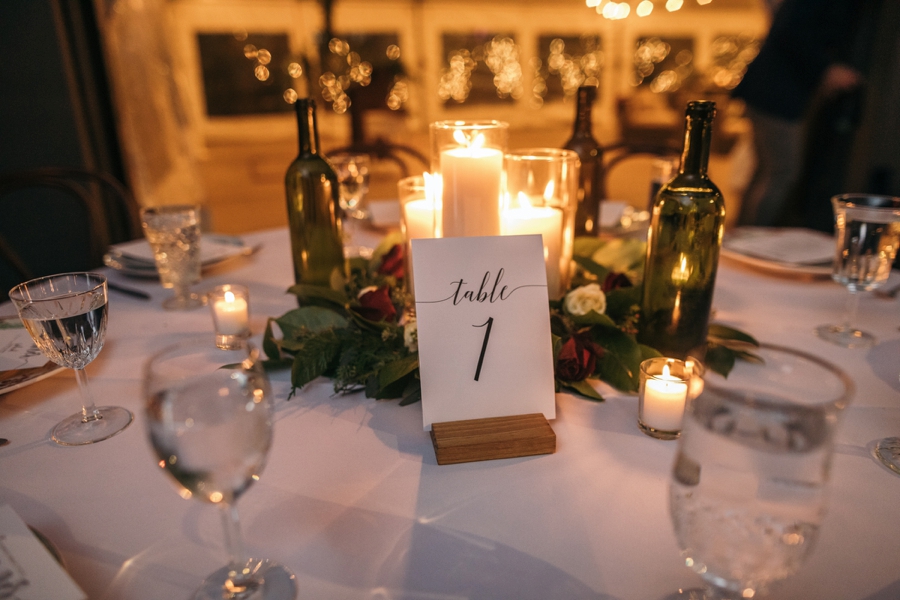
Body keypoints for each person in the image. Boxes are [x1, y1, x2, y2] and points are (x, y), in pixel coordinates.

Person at [732, 0, 864, 227]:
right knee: (783, 171)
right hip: (776, 93)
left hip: (769, 90)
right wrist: (825, 68)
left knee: (766, 170)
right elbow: (789, 32)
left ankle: (742, 235)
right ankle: (752, 236)